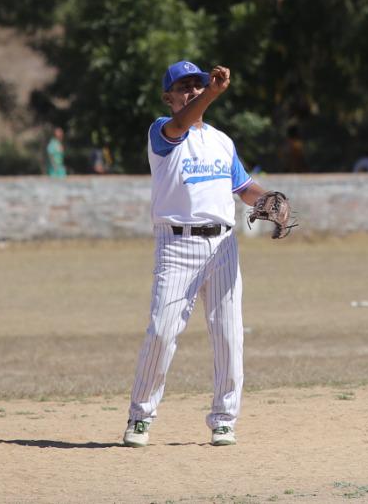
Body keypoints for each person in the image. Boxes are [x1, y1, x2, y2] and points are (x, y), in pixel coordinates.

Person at [122, 60, 292, 448]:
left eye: (197, 85)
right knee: (163, 332)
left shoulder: (221, 141)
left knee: (229, 335)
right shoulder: (163, 133)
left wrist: (269, 200)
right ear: (168, 97)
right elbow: (182, 123)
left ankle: (224, 420)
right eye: (183, 87)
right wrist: (214, 94)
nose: (193, 91)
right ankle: (140, 417)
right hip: (177, 243)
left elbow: (244, 186)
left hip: (224, 245)